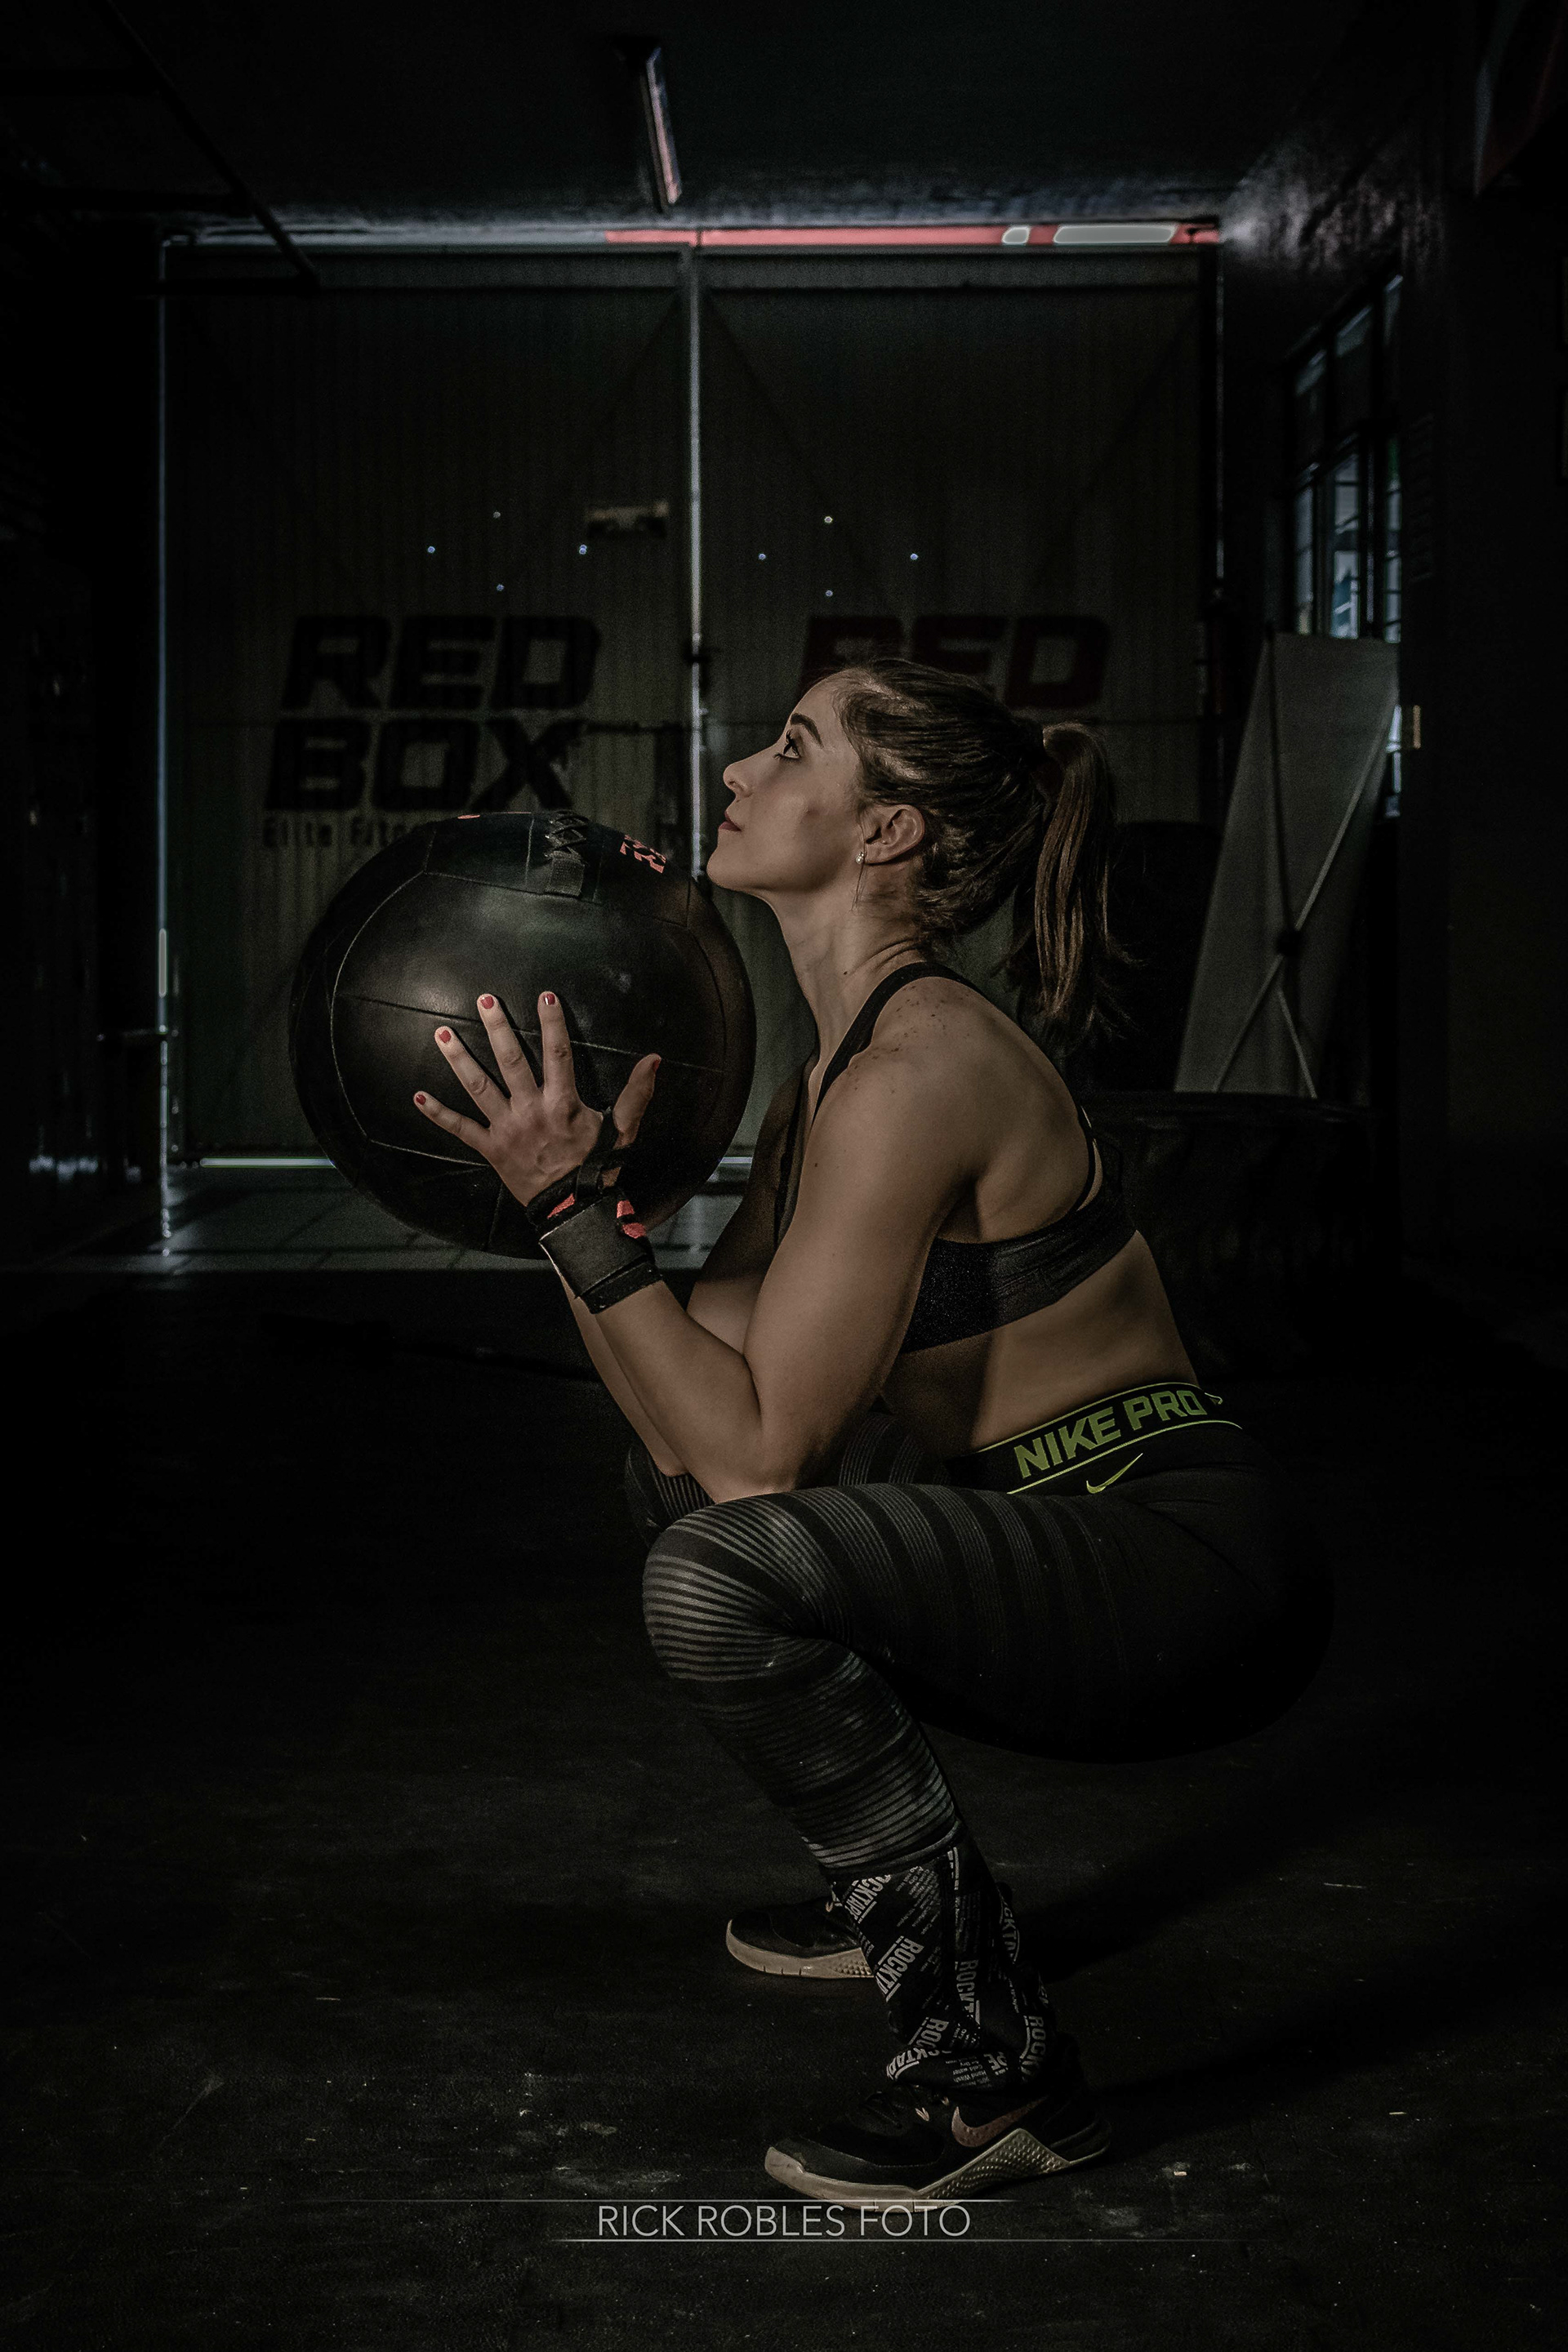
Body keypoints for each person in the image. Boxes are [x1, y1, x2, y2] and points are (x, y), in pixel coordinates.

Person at [412, 658, 1332, 2208]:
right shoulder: (829, 1081)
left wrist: (573, 1211)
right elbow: (695, 1404)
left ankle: (999, 2076)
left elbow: (762, 1463)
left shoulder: (922, 1069)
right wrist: (578, 1205)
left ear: (886, 831)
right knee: (673, 1493)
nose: (741, 771)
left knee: (722, 1569)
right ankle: (896, 1895)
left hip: (1189, 1566)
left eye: (793, 748)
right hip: (1050, 1519)